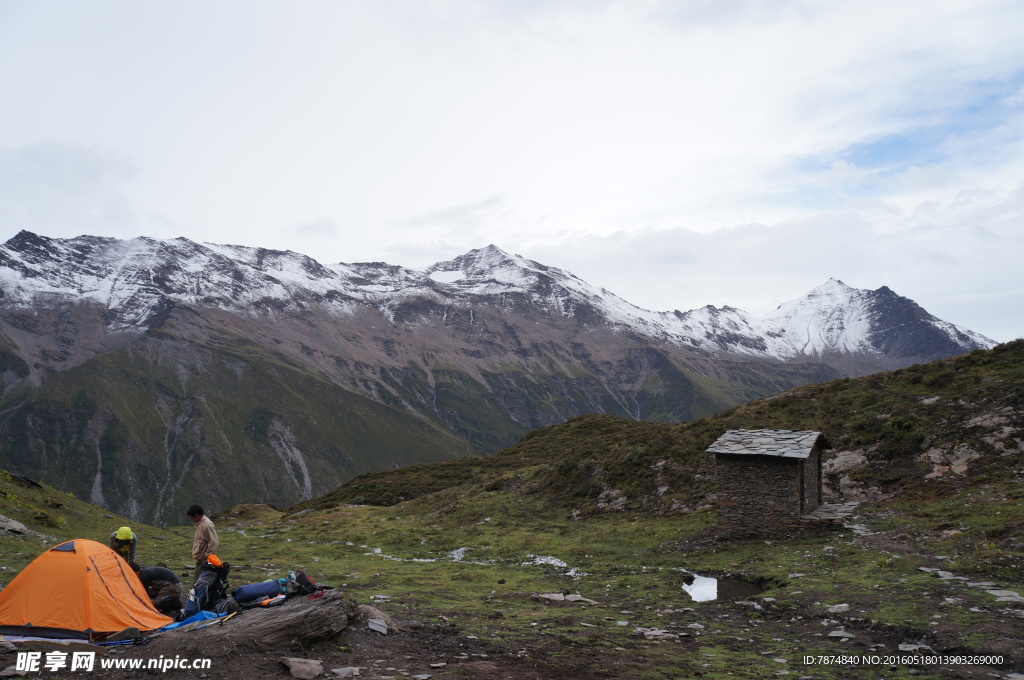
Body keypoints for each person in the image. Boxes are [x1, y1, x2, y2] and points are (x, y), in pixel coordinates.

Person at [186, 504, 218, 574]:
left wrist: (207, 556)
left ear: (197, 515)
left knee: (198, 582)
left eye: (191, 517)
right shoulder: (200, 524)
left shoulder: (207, 525)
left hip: (204, 560)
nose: (191, 519)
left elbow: (213, 542)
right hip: (200, 559)